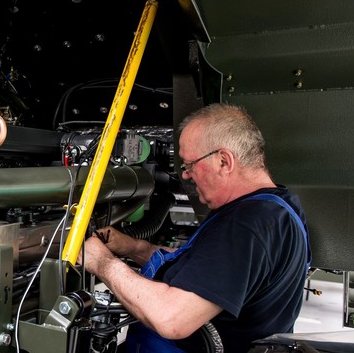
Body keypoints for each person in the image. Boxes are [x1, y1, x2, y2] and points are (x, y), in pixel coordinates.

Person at [80, 103, 311, 352]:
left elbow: (172, 319)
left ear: (224, 161)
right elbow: (206, 268)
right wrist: (134, 247)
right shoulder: (280, 207)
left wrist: (102, 262)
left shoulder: (245, 225)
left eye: (190, 165)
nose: (187, 176)